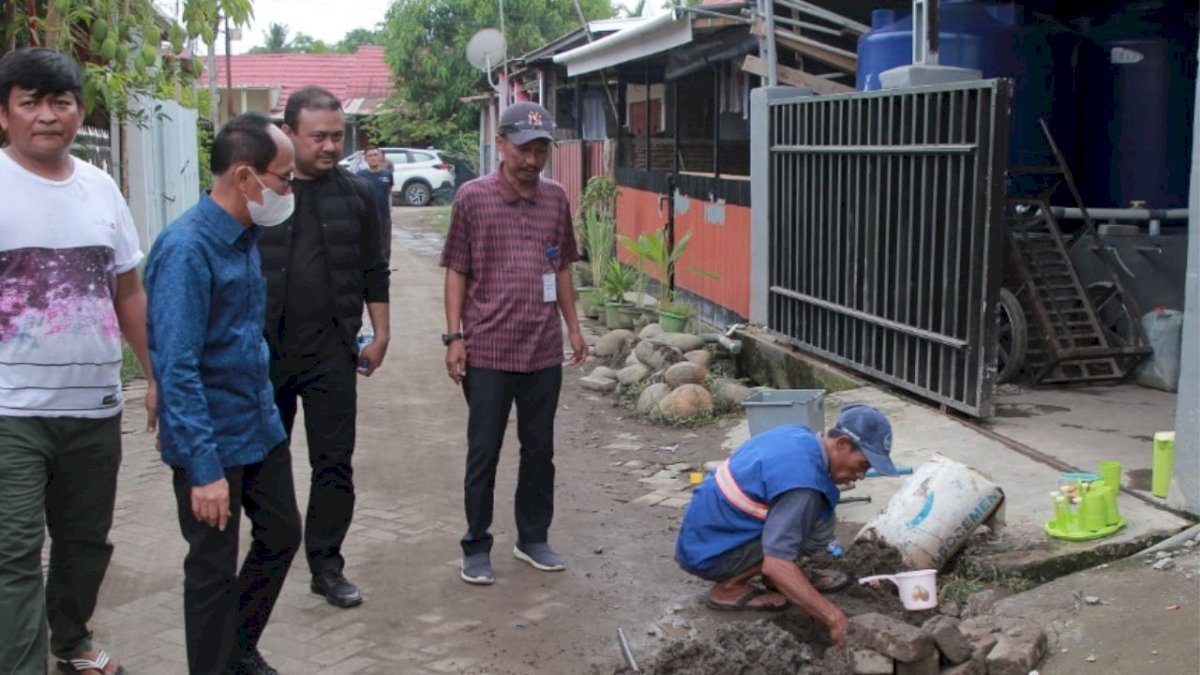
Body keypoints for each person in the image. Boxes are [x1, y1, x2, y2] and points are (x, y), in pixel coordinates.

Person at [0, 47, 154, 675]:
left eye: (60, 101)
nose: (47, 115)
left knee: (86, 542)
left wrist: (155, 375)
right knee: (13, 549)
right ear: (4, 114)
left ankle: (71, 642)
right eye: (29, 102)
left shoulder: (100, 187)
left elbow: (128, 289)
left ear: (79, 111)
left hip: (94, 407)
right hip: (11, 410)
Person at [145, 112, 302, 675]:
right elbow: (178, 366)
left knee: (282, 533)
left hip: (257, 425)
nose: (288, 190)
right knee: (212, 567)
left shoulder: (244, 238)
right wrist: (204, 469)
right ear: (244, 177)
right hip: (209, 437)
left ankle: (234, 646)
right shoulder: (188, 250)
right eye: (283, 178)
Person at [441, 101, 587, 585]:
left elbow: (561, 265)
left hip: (542, 349)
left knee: (539, 449)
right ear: (501, 144)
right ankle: (476, 543)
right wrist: (454, 336)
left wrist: (574, 326)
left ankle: (533, 537)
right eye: (524, 149)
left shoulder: (556, 198)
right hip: (486, 350)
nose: (532, 160)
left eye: (541, 149)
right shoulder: (472, 197)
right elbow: (457, 269)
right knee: (483, 451)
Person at [261, 85, 390, 608]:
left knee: (334, 462)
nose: (330, 147)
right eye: (318, 137)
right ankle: (266, 555)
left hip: (332, 352)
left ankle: (327, 564)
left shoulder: (359, 194)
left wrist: (381, 333)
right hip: (263, 354)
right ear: (289, 133)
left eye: (337, 137)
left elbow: (374, 269)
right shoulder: (264, 190)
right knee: (262, 461)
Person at [674, 404, 899, 647]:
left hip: (706, 533)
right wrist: (835, 619)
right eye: (863, 465)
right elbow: (776, 564)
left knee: (817, 516)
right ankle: (729, 588)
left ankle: (787, 579)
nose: (862, 476)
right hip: (709, 553)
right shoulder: (804, 487)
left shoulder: (799, 435)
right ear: (842, 443)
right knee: (796, 535)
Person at [355, 145, 394, 263]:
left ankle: (384, 271)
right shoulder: (360, 175)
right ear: (366, 159)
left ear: (380, 157)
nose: (373, 158)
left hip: (384, 217)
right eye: (370, 156)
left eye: (375, 155)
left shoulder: (387, 174)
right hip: (366, 217)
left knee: (385, 247)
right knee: (367, 245)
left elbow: (389, 192)